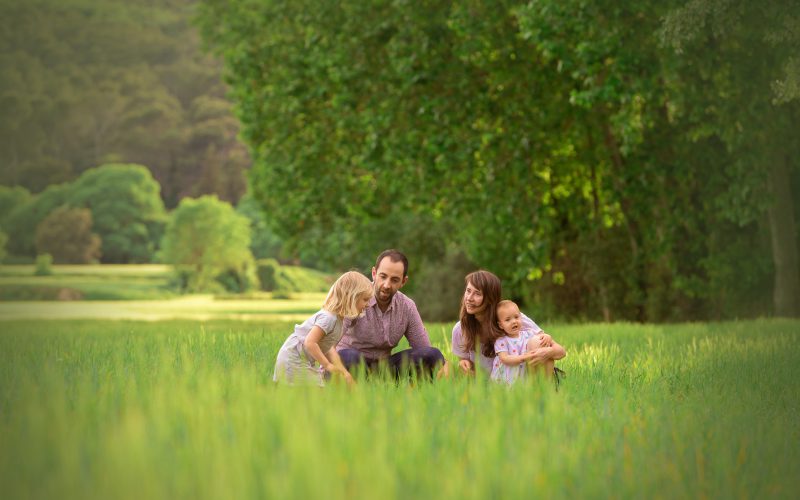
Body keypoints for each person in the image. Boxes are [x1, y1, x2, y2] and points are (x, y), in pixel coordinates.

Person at [337, 249, 447, 379]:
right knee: (349, 357)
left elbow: (424, 349)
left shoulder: (407, 307)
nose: (387, 285)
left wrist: (442, 364)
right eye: (383, 276)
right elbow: (329, 344)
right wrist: (325, 371)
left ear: (403, 282)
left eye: (394, 280)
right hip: (351, 363)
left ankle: (375, 382)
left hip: (385, 369)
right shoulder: (355, 298)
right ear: (374, 273)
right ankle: (357, 383)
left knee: (432, 354)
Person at [451, 270, 565, 377]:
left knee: (537, 342)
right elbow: (462, 359)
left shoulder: (512, 319)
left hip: (523, 379)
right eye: (468, 291)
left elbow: (560, 351)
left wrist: (548, 352)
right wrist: (463, 363)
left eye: (477, 294)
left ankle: (543, 390)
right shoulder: (460, 329)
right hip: (493, 385)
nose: (469, 298)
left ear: (490, 298)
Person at [273, 271, 373, 386]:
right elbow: (310, 342)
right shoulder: (329, 318)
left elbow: (329, 349)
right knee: (317, 392)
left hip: (300, 359)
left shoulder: (338, 320)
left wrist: (345, 374)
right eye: (365, 300)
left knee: (317, 392)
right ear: (351, 297)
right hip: (294, 359)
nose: (368, 304)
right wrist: (327, 365)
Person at [491, 299, 563, 385]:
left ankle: (548, 384)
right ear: (501, 325)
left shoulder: (528, 333)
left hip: (523, 375)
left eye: (516, 317)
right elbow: (504, 358)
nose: (514, 321)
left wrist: (548, 337)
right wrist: (524, 358)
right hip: (506, 377)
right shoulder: (501, 340)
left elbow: (543, 338)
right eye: (508, 320)